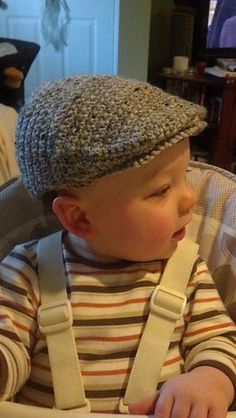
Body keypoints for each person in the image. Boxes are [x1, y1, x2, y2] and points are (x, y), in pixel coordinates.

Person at [0, 75, 235, 418]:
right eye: (161, 190)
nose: (190, 199)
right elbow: (9, 343)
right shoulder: (28, 270)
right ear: (79, 218)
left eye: (184, 177)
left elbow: (217, 342)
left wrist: (207, 380)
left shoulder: (188, 269)